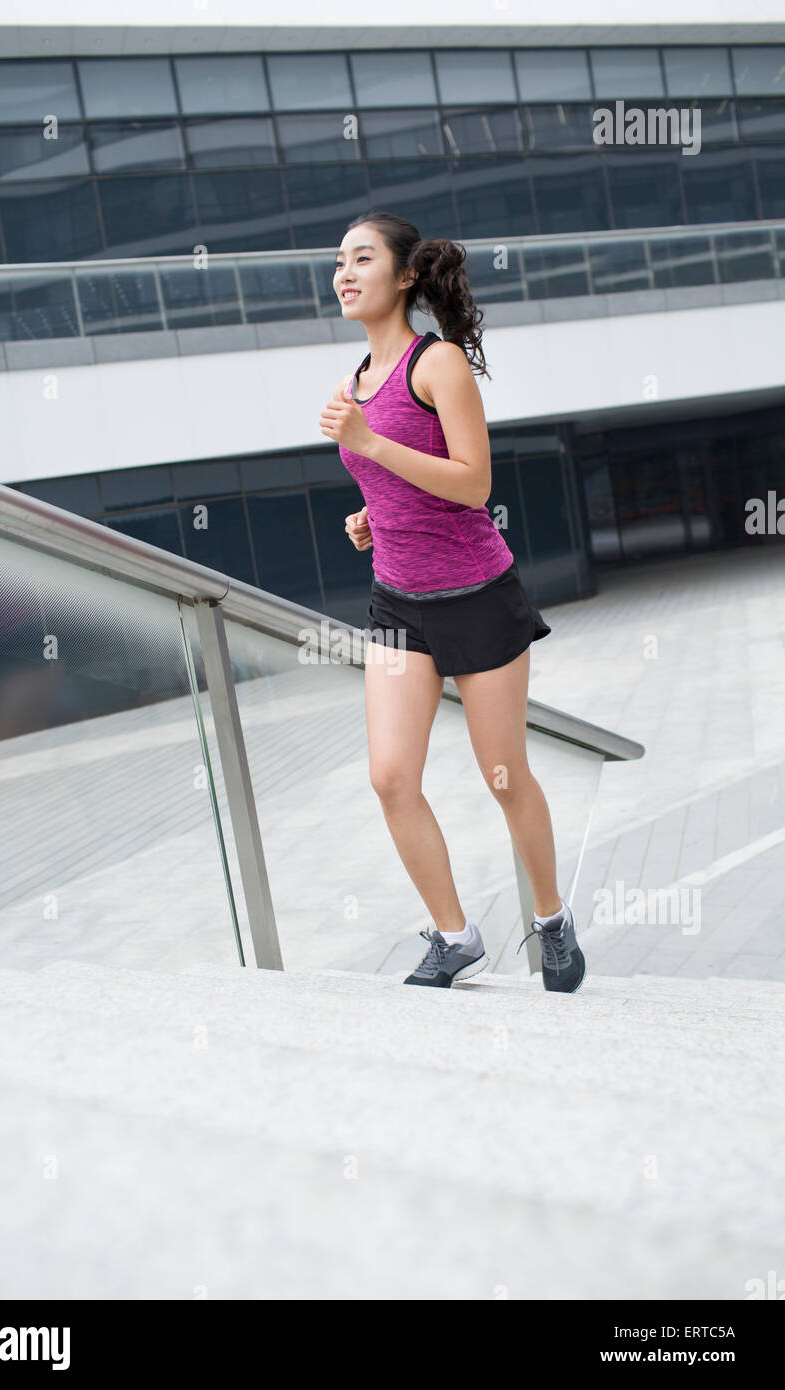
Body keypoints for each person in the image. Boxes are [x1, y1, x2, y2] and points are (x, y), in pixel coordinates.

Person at [319, 209, 584, 994]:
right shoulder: (353, 383)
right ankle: (454, 935)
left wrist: (368, 445)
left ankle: (550, 920)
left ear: (404, 276)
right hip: (399, 603)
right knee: (391, 777)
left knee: (504, 775)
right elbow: (397, 478)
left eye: (362, 258)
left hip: (477, 597)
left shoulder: (436, 367)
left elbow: (474, 483)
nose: (344, 272)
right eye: (338, 261)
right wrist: (374, 513)